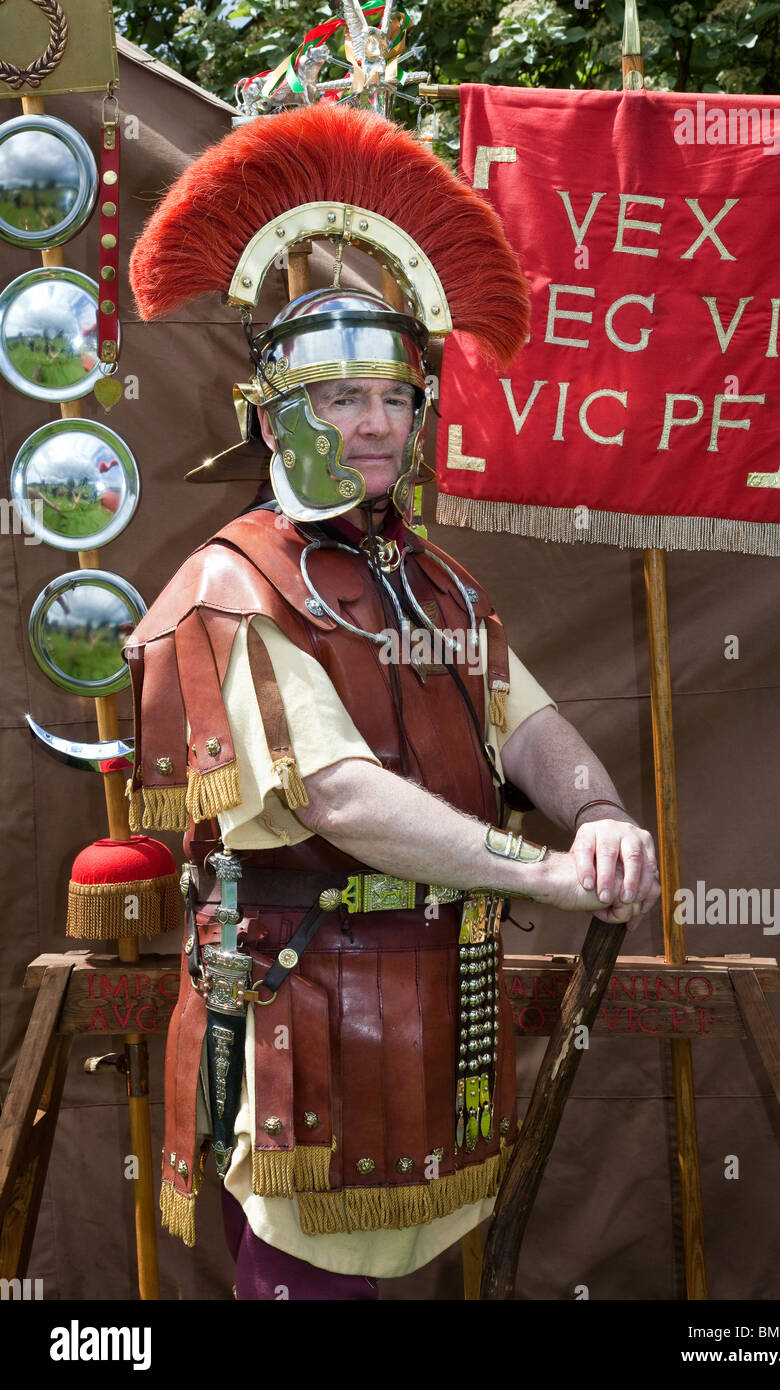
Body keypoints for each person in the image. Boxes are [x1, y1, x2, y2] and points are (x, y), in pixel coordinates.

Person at [123, 104, 660, 1300]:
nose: (373, 425)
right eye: (338, 399)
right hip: (300, 1006)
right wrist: (537, 876)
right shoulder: (230, 583)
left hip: (430, 997)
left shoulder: (430, 576)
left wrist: (601, 812)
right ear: (270, 414)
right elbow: (336, 795)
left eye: (394, 398)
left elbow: (523, 722)